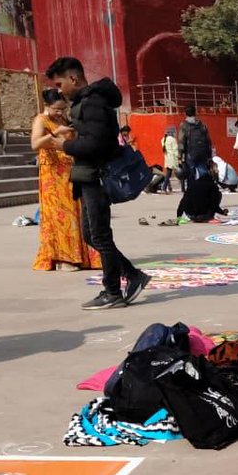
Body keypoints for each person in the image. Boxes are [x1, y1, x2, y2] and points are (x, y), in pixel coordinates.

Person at [45, 56, 148, 310]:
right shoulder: (86, 102)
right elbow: (93, 135)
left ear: (73, 78)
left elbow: (99, 143)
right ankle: (132, 275)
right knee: (91, 235)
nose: (59, 90)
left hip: (96, 176)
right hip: (88, 176)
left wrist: (65, 145)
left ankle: (112, 291)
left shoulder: (92, 102)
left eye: (60, 84)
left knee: (99, 235)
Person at [30, 88, 99, 272]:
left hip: (69, 171)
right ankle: (62, 257)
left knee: (75, 213)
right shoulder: (41, 120)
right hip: (52, 174)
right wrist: (55, 133)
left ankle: (79, 255)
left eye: (63, 109)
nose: (60, 113)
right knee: (60, 215)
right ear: (47, 106)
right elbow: (35, 144)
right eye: (56, 109)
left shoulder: (62, 119)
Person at [178, 105, 212, 181]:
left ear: (185, 113)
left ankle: (192, 189)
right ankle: (204, 188)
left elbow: (181, 141)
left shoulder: (184, 125)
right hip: (203, 153)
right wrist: (209, 155)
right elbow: (208, 141)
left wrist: (180, 156)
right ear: (195, 112)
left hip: (190, 153)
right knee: (203, 172)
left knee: (191, 174)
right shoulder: (202, 125)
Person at [161, 127, 180, 194]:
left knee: (168, 174)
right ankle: (164, 188)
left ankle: (167, 187)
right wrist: (179, 157)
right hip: (173, 159)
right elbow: (175, 150)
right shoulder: (173, 140)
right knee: (180, 173)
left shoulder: (163, 139)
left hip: (167, 158)